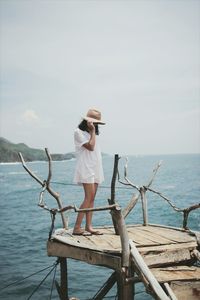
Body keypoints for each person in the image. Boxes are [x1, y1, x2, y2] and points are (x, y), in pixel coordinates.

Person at [73, 108, 105, 236]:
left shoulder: (93, 134)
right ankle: (77, 227)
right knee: (88, 197)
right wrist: (92, 132)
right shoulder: (78, 132)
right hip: (86, 167)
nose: (95, 125)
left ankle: (88, 226)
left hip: (95, 167)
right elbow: (91, 147)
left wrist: (92, 132)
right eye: (94, 123)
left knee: (92, 198)